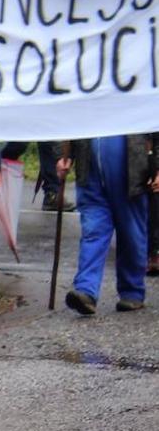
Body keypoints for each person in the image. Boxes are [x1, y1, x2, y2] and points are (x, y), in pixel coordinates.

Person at [58, 134, 158, 315]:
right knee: (93, 230)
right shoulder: (86, 104)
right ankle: (86, 290)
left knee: (131, 233)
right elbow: (72, 119)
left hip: (132, 173)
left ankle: (132, 292)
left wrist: (157, 165)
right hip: (90, 174)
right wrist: (64, 155)